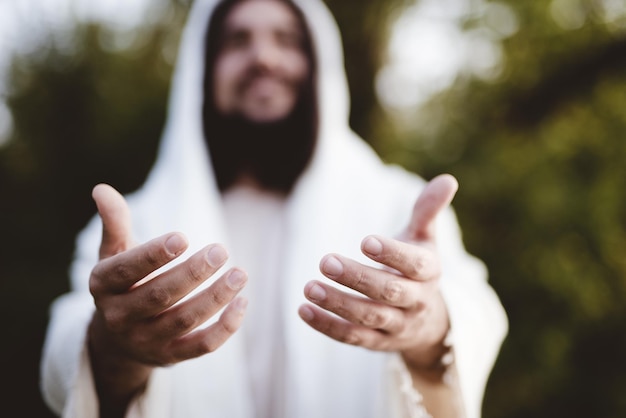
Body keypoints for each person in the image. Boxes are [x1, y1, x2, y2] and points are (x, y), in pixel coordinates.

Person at [40, 0, 508, 417]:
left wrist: (431, 329)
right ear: (203, 71)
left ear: (319, 64)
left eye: (286, 39)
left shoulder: (399, 205)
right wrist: (114, 352)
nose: (263, 57)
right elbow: (69, 345)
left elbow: (477, 311)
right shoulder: (136, 225)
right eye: (237, 41)